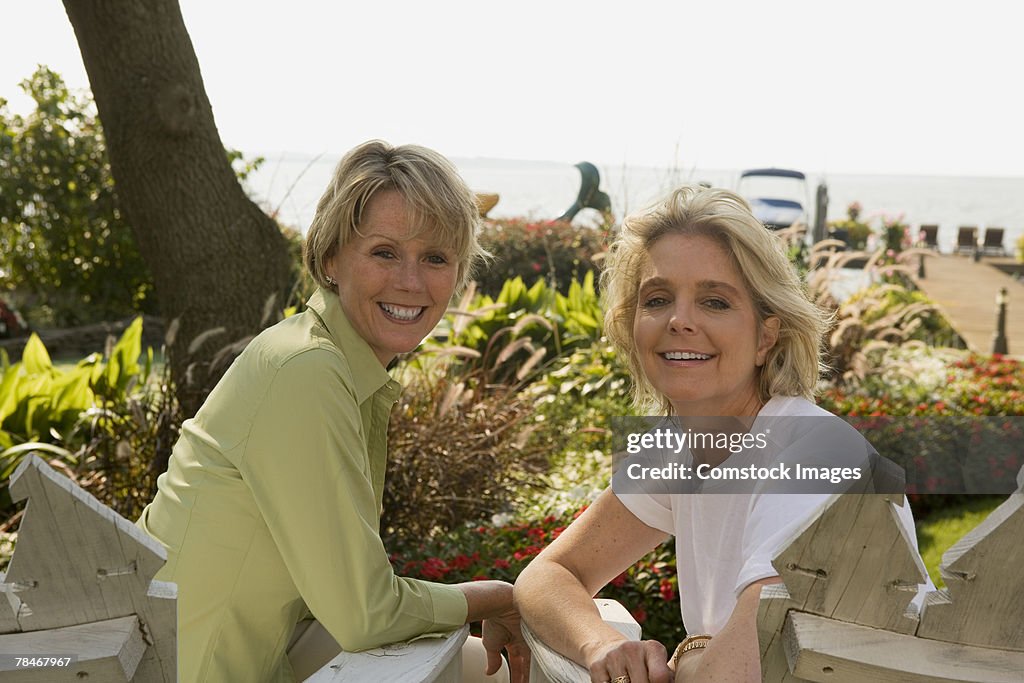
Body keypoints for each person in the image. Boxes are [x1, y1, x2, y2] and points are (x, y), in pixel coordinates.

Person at [136, 140, 528, 682]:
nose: (411, 282)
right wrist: (495, 597)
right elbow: (367, 614)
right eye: (385, 252)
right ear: (330, 258)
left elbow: (336, 605)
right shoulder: (306, 370)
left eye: (435, 258)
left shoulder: (334, 365)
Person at [514, 185, 930, 683]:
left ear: (765, 338)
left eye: (714, 301)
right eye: (658, 299)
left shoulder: (816, 455)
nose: (679, 321)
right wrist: (602, 643)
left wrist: (692, 652)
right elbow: (547, 575)